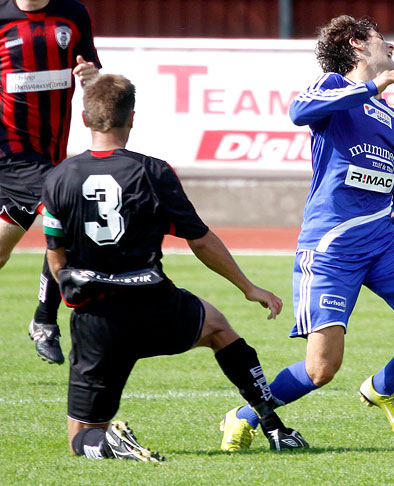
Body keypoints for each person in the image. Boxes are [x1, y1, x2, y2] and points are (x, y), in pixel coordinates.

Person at [220, 15, 394, 448]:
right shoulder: (330, 86)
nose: (393, 47)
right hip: (331, 247)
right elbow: (298, 112)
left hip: (383, 242)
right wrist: (372, 87)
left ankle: (383, 385)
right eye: (383, 39)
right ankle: (245, 414)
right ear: (357, 44)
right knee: (320, 371)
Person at [41, 74, 309, 462]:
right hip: (154, 305)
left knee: (80, 438)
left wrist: (53, 309)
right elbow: (198, 238)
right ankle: (272, 426)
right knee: (219, 328)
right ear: (131, 118)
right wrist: (248, 287)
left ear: (83, 119)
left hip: (96, 319)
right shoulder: (153, 172)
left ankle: (106, 443)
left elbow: (54, 255)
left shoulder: (59, 177)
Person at [0, 0, 101, 365]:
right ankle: (45, 320)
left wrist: (91, 76)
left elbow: (90, 66)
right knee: (72, 207)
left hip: (50, 152)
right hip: (10, 151)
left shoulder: (72, 13)